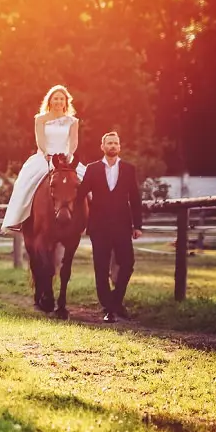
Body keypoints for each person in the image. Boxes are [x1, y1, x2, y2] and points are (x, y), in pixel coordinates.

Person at [74, 131, 143, 323]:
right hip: (99, 227)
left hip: (123, 225)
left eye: (115, 143)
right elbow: (80, 195)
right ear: (102, 147)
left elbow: (135, 199)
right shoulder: (92, 168)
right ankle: (109, 308)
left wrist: (137, 225)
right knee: (101, 268)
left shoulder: (129, 169)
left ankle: (115, 300)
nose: (112, 146)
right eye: (109, 143)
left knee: (128, 264)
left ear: (119, 147)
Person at [1, 85, 86, 232]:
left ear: (66, 102)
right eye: (55, 98)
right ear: (50, 101)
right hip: (46, 157)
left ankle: (92, 220)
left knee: (89, 183)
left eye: (61, 99)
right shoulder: (40, 119)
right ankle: (17, 220)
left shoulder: (73, 121)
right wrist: (46, 153)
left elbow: (73, 141)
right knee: (24, 183)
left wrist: (70, 154)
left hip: (66, 158)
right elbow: (40, 139)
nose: (58, 101)